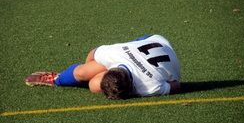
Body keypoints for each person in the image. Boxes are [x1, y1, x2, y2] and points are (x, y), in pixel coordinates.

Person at [25, 34, 181, 99]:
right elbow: (93, 53)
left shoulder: (149, 87)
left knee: (93, 85)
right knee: (82, 73)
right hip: (150, 41)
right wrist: (88, 70)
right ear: (110, 68)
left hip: (158, 46)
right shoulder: (111, 53)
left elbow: (176, 85)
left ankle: (71, 78)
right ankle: (57, 79)